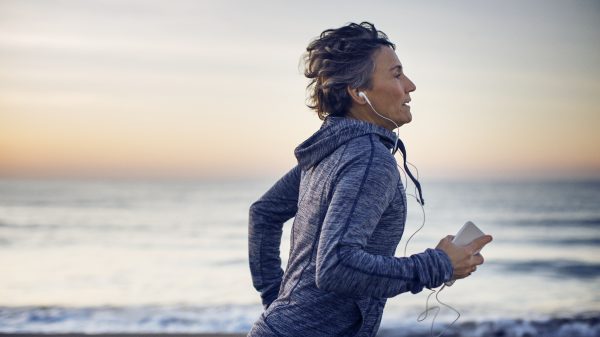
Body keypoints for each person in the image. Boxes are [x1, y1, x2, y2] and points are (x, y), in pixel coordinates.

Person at [247, 22, 493, 337]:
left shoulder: (331, 151)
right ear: (358, 92)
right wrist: (439, 265)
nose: (411, 85)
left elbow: (263, 213)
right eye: (396, 74)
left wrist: (278, 304)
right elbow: (337, 266)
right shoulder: (369, 159)